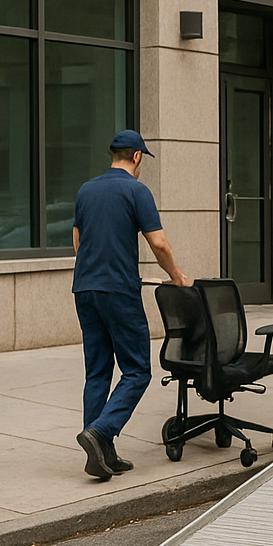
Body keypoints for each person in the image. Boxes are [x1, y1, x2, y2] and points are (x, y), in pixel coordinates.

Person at [71, 130, 191, 481]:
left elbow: (78, 241)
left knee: (97, 371)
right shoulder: (137, 191)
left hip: (85, 289)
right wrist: (177, 276)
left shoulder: (86, 190)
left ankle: (100, 454)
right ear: (137, 157)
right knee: (137, 371)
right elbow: (159, 243)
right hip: (119, 292)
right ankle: (100, 432)